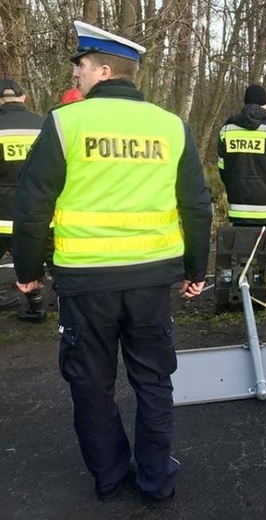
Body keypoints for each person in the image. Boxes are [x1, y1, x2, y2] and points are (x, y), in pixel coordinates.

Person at [12, 21, 212, 503]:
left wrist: (27, 271)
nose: (75, 74)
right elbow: (197, 206)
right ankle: (155, 478)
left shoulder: (65, 122)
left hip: (85, 284)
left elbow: (33, 204)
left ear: (104, 70)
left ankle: (108, 477)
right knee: (153, 380)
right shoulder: (171, 126)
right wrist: (196, 270)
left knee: (92, 384)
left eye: (80, 66)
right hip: (151, 280)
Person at [218, 84, 266, 299]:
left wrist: (233, 186)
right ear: (264, 103)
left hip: (238, 202)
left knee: (241, 248)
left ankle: (242, 286)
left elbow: (222, 167)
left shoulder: (227, 128)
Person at [0, 78, 44, 316]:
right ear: (24, 98)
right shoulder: (44, 125)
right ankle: (37, 305)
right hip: (34, 208)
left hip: (1, 211)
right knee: (32, 257)